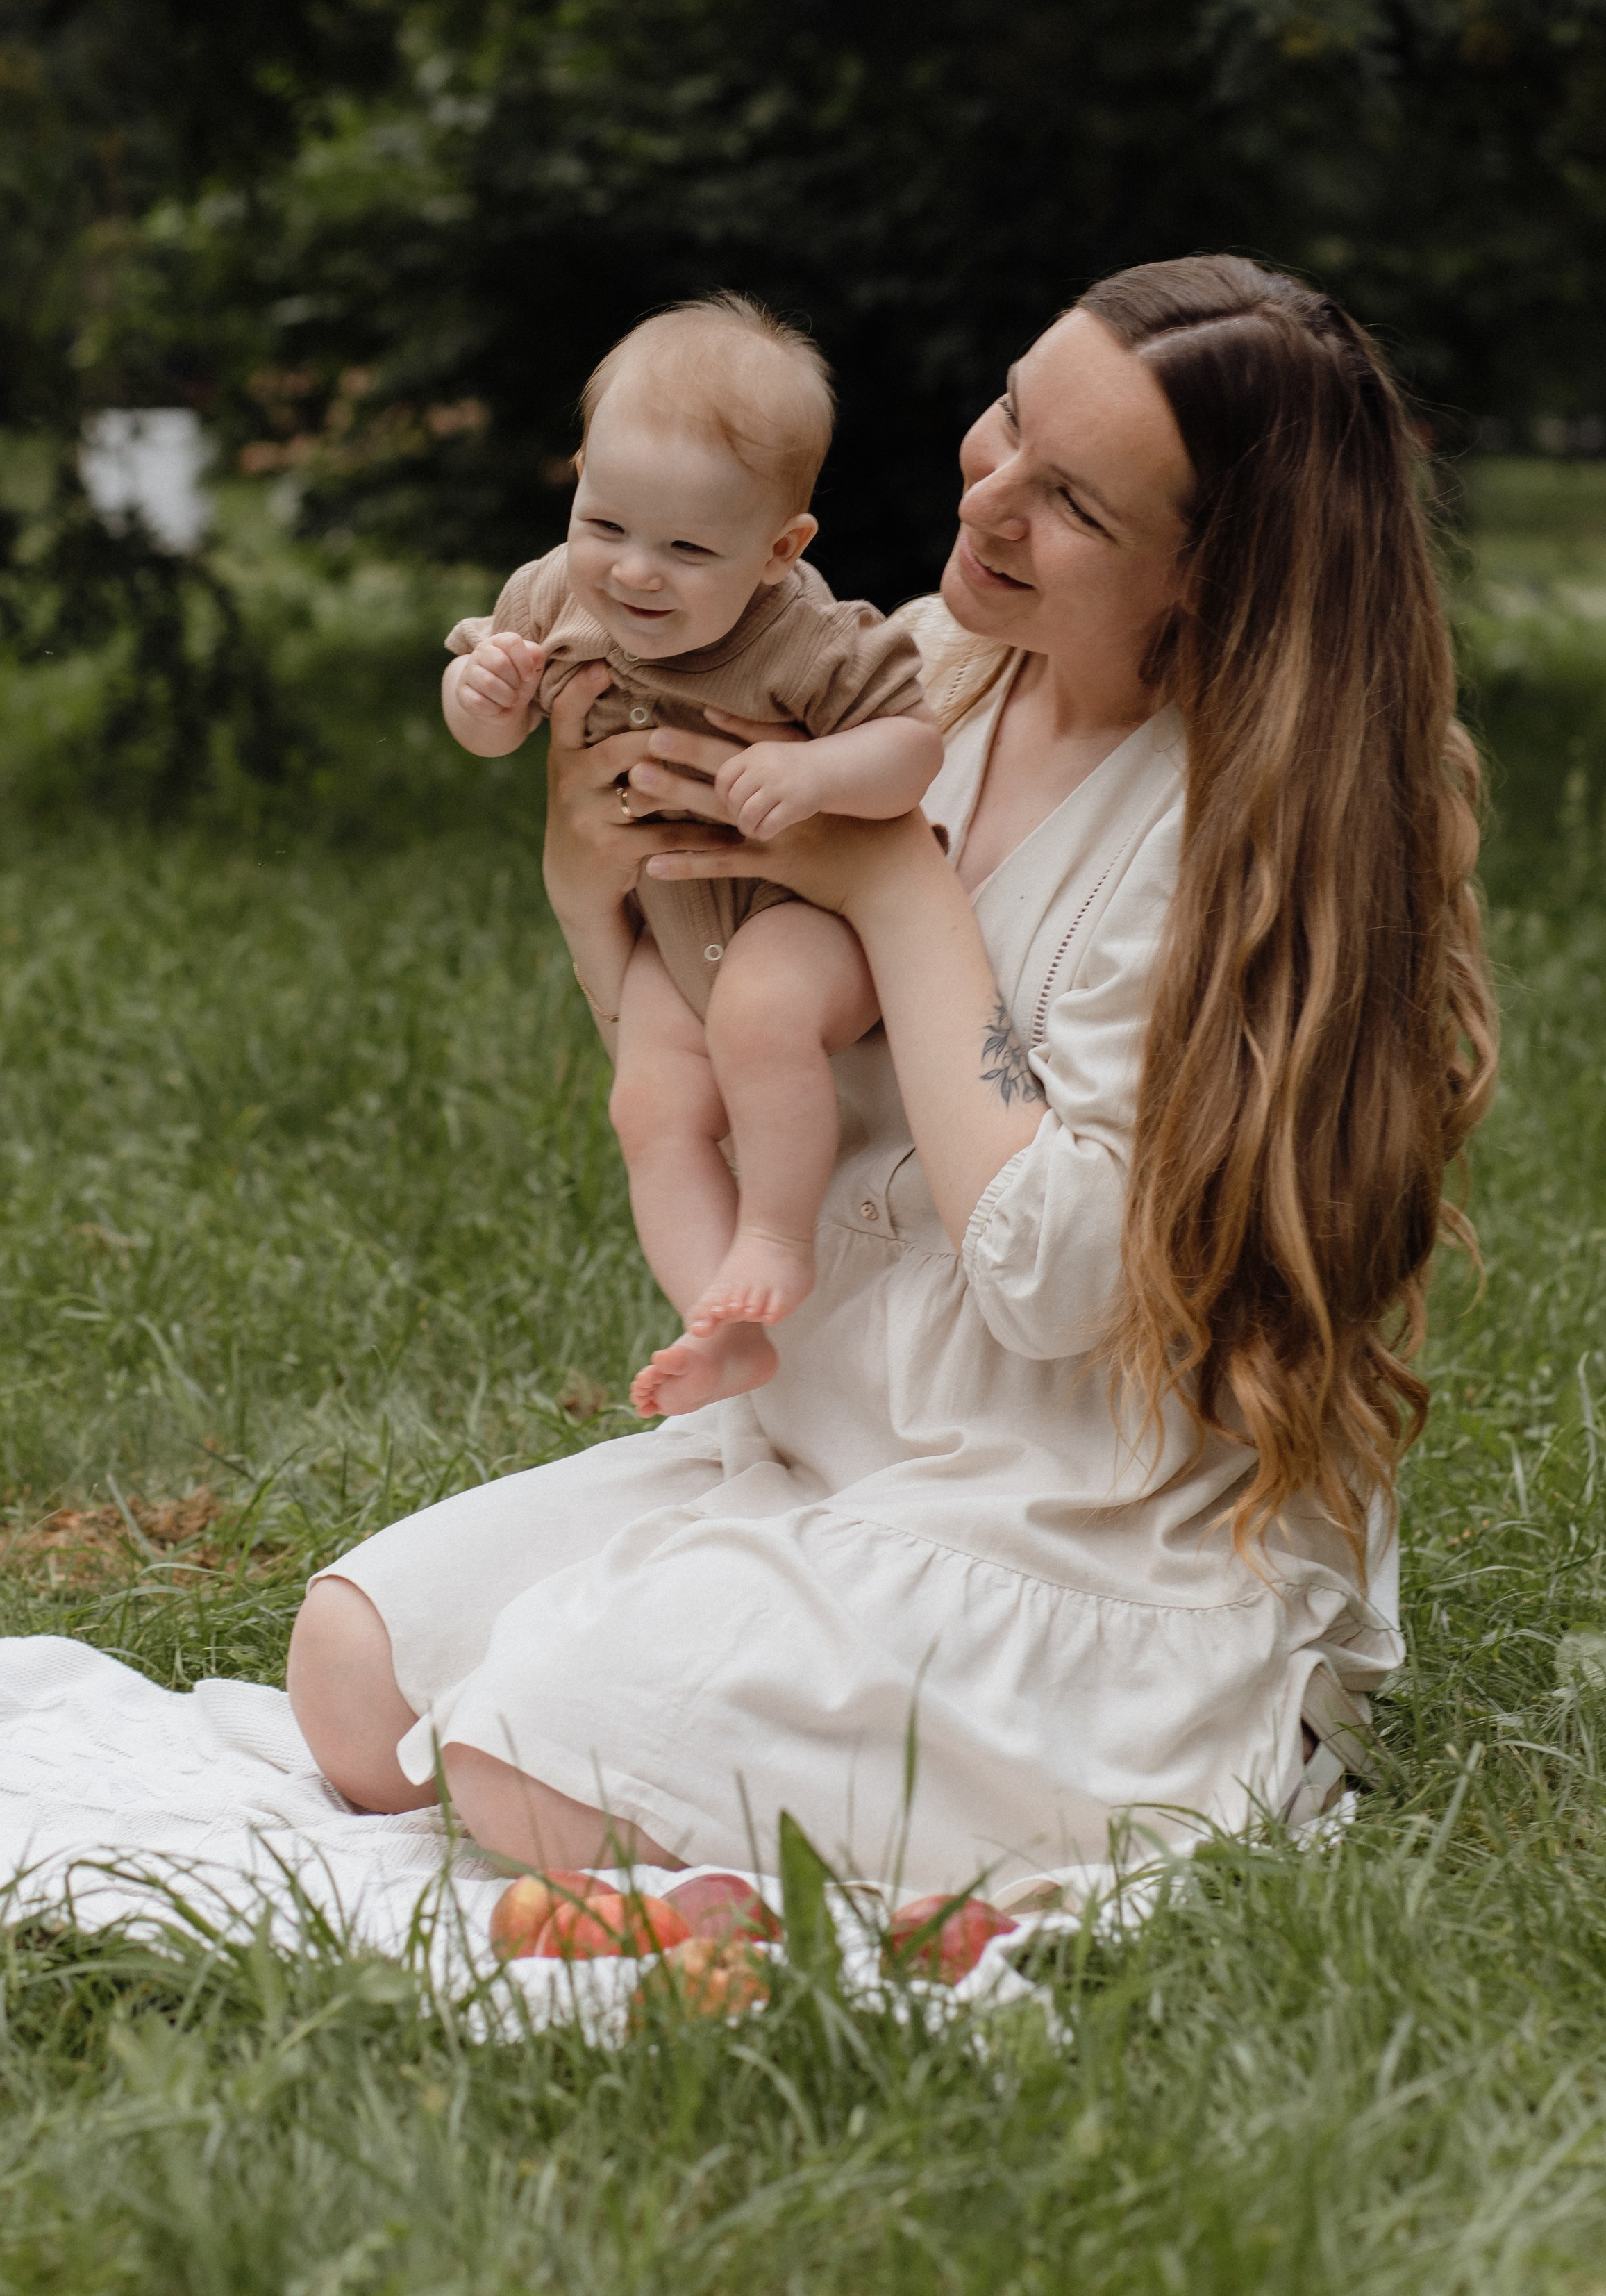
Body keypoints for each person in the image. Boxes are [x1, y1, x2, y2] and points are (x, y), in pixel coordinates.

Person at [287, 256, 1497, 1900]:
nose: (987, 492)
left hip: (1064, 1509)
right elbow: (707, 1034)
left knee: (525, 1742)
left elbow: (1058, 1282)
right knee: (355, 1676)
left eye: (1067, 498)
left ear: (1206, 576)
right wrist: (590, 882)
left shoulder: (1244, 838)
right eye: (1005, 414)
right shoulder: (919, 669)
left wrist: (897, 889)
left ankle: (1127, 1750)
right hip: (823, 1439)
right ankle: (735, 1687)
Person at [443, 294, 942, 1415]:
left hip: (803, 917)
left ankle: (773, 1237)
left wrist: (818, 774)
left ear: (780, 549)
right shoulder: (554, 592)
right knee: (649, 1101)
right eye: (607, 524)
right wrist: (482, 695)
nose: (634, 574)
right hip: (674, 922)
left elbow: (913, 747)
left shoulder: (808, 637)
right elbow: (487, 722)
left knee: (760, 1013)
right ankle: (715, 1326)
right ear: (578, 476)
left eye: (686, 548)